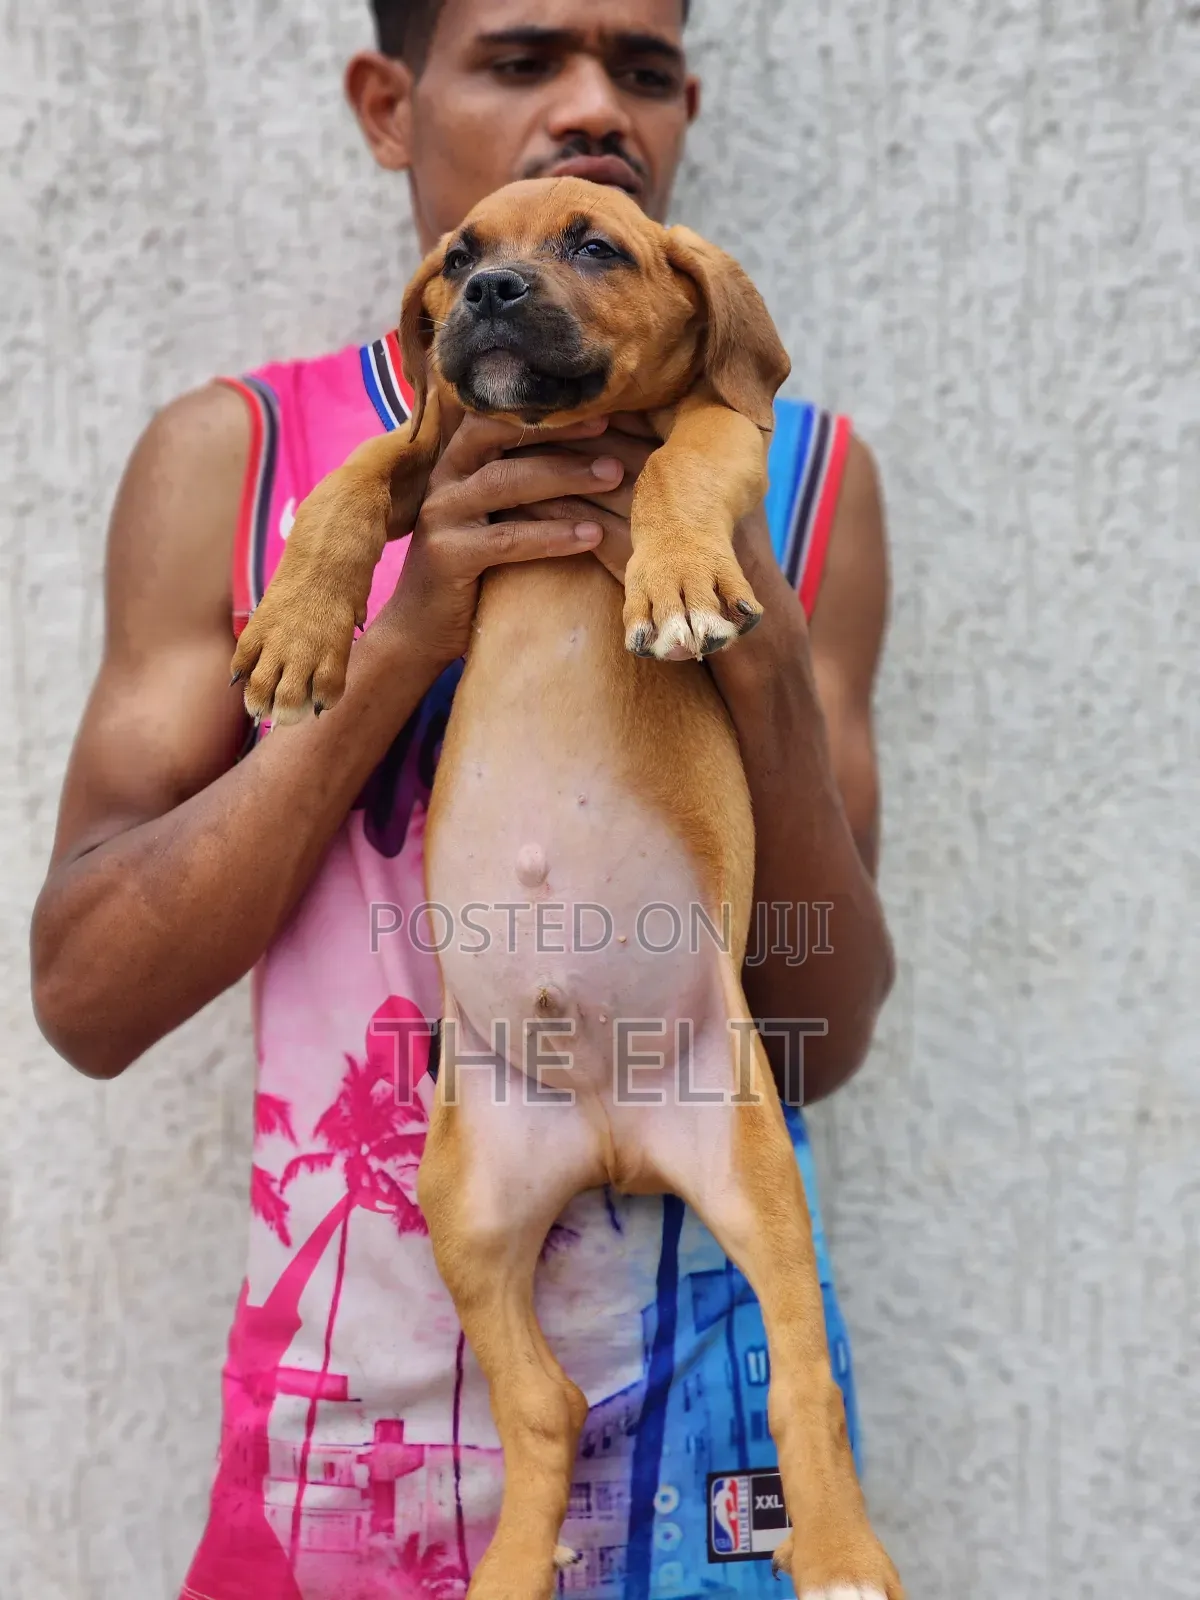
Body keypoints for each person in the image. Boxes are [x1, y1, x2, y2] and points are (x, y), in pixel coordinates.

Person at [30, 2, 894, 1597]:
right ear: (387, 101)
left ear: (686, 110)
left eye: (641, 72)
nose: (593, 108)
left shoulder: (805, 472)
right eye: (520, 59)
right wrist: (406, 626)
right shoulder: (245, 460)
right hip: (352, 1431)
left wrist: (746, 643)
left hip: (710, 1432)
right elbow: (85, 994)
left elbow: (821, 1029)